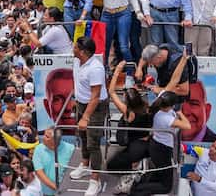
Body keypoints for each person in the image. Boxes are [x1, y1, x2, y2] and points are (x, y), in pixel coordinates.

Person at [130, 91, 191, 196]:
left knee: (161, 172)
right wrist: (180, 113)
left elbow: (163, 93)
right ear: (171, 106)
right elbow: (187, 126)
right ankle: (137, 189)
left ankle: (140, 185)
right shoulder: (166, 118)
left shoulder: (159, 110)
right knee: (166, 187)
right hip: (161, 149)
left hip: (157, 146)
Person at [67, 36, 107, 196]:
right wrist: (76, 100)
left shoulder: (96, 68)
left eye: (75, 47)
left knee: (93, 144)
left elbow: (95, 96)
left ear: (82, 51)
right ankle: (84, 165)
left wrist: (85, 117)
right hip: (81, 104)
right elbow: (78, 82)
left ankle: (95, 180)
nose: (73, 48)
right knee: (82, 136)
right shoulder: (77, 61)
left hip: (95, 107)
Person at [107, 61, 152, 195]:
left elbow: (111, 91)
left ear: (127, 102)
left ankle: (131, 175)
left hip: (133, 145)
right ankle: (136, 168)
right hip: (145, 142)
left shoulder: (128, 111)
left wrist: (117, 71)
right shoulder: (147, 108)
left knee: (112, 166)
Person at [32, 127, 73, 196]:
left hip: (67, 192)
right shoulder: (38, 149)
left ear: (55, 140)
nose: (43, 138)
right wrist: (57, 188)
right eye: (44, 135)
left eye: (47, 136)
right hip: (46, 193)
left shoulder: (71, 149)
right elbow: (39, 173)